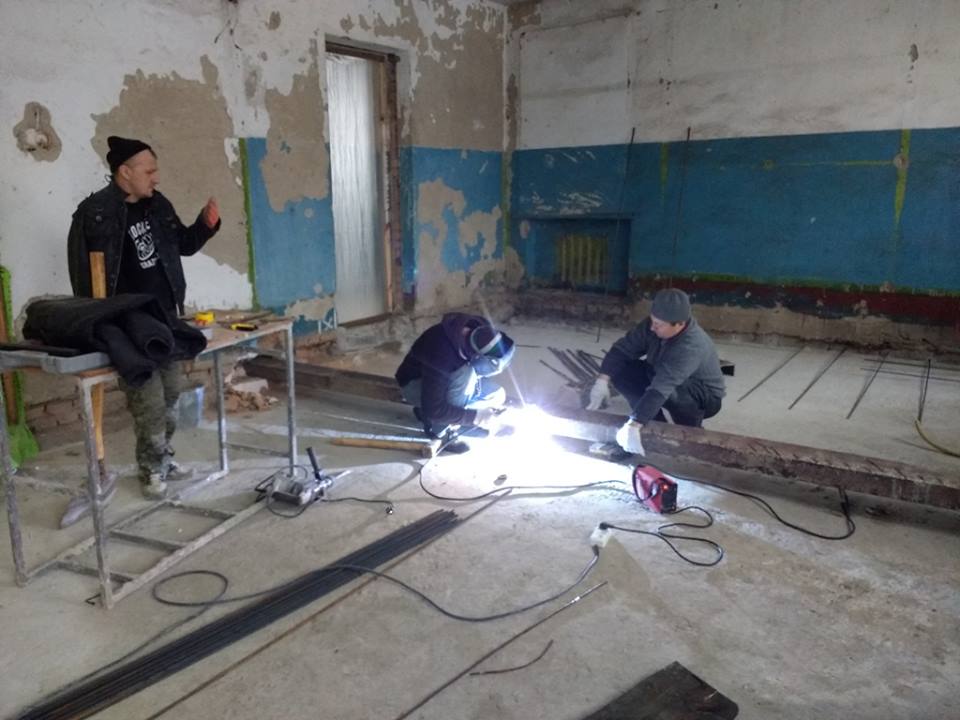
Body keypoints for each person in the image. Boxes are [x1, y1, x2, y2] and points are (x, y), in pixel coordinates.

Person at [67, 135, 221, 498]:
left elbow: (183, 244)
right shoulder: (94, 213)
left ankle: (162, 458)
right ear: (125, 172)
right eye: (149, 171)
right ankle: (151, 469)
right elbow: (81, 274)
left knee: (171, 395)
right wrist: (96, 323)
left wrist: (205, 224)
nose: (156, 177)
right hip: (127, 325)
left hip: (164, 318)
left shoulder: (158, 204)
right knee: (149, 402)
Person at [586, 288, 725, 455]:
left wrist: (634, 423)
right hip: (660, 375)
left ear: (679, 324)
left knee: (673, 390)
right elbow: (622, 350)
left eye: (658, 325)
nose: (652, 328)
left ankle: (689, 431)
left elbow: (661, 387)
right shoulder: (653, 325)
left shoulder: (691, 346)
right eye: (652, 321)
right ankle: (653, 423)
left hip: (704, 397)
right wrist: (602, 380)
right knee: (621, 369)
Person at [395, 313, 516, 452]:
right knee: (465, 374)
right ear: (478, 356)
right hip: (415, 385)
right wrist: (477, 417)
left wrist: (480, 416)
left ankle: (433, 414)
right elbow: (434, 409)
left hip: (442, 382)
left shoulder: (481, 331)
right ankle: (442, 431)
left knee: (497, 395)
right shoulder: (442, 353)